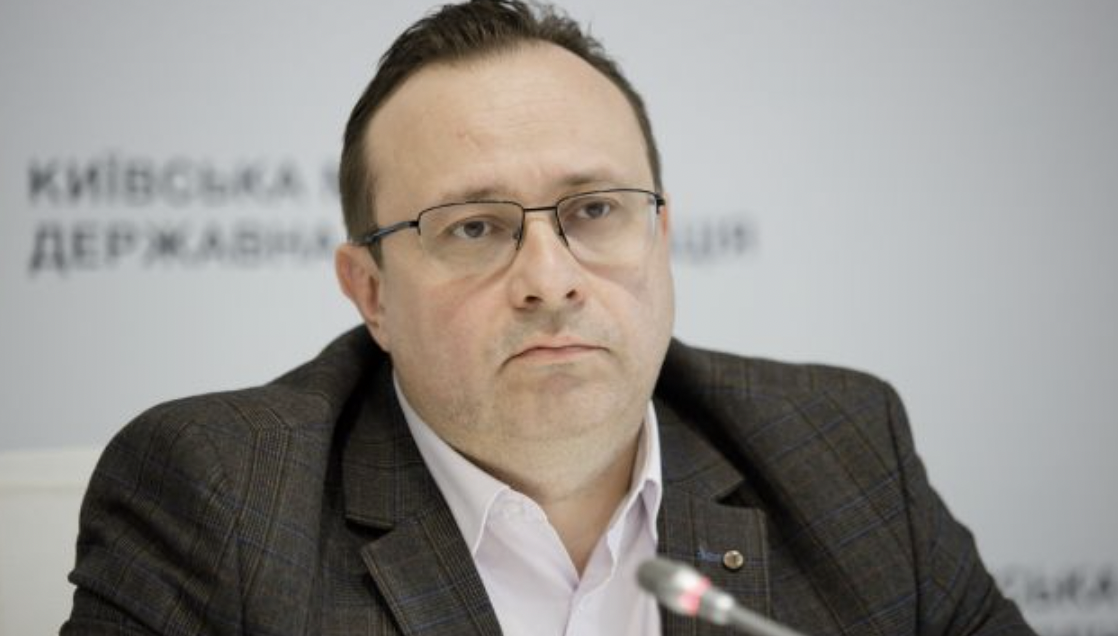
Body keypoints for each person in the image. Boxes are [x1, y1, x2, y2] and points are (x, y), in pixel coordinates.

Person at [63, 1, 1036, 635]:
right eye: (474, 227)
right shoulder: (224, 497)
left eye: (595, 210)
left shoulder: (840, 449)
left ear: (660, 237)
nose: (549, 279)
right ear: (371, 293)